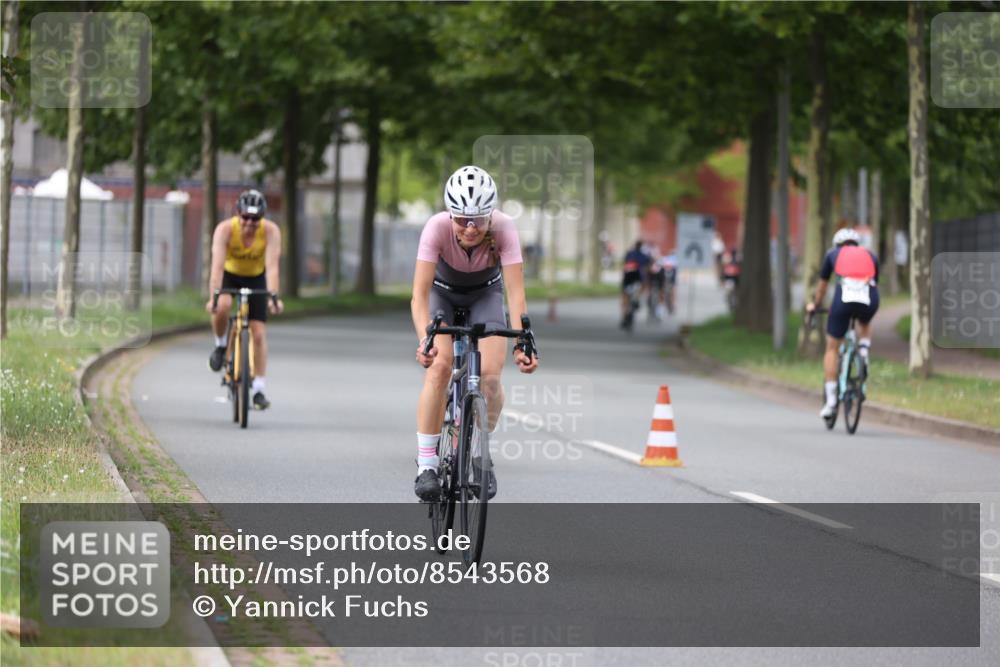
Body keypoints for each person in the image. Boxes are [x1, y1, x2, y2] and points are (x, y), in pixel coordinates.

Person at [411, 166, 539, 501]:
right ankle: (427, 465)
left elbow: (516, 293)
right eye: (461, 219)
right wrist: (424, 340)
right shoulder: (436, 227)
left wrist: (524, 340)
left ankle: (481, 450)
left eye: (478, 220)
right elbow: (420, 295)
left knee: (491, 379)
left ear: (490, 216)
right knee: (439, 369)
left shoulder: (505, 228)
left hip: (486, 294)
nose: (470, 228)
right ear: (450, 214)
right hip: (442, 294)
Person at [206, 189, 284, 409]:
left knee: (258, 333)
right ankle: (221, 346)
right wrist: (213, 296)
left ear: (262, 218)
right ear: (237, 213)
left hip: (256, 277)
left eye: (255, 219)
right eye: (246, 218)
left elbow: (272, 268)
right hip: (230, 275)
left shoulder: (271, 231)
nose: (250, 223)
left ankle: (259, 389)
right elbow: (217, 267)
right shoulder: (224, 230)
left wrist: (274, 297)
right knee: (223, 306)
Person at [805, 228, 880, 419]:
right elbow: (874, 283)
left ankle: (831, 403)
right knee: (865, 320)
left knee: (832, 348)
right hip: (870, 297)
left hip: (844, 300)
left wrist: (816, 304)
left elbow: (822, 286)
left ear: (837, 244)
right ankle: (863, 350)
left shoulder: (832, 254)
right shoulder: (870, 255)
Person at [620, 240, 650, 328]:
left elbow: (624, 264)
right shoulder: (644, 255)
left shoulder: (629, 253)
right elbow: (647, 266)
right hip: (638, 276)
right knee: (643, 285)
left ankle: (624, 316)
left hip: (627, 277)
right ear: (641, 247)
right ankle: (637, 299)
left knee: (625, 297)